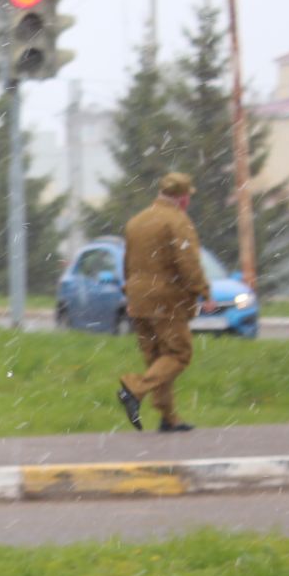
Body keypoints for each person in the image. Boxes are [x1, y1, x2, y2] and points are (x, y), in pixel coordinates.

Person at [116, 171, 212, 434]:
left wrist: (131, 290)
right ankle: (134, 389)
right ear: (182, 198)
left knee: (157, 358)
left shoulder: (136, 221)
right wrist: (203, 289)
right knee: (179, 354)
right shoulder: (177, 221)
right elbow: (188, 262)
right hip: (166, 299)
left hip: (138, 298)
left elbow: (127, 262)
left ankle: (169, 418)